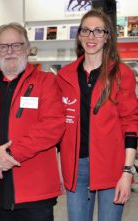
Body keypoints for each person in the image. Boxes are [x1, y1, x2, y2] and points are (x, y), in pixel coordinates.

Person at [0, 22, 65, 221]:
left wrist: (8, 155)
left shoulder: (46, 82)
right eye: (3, 46)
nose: (9, 51)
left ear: (27, 48)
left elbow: (52, 126)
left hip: (35, 189)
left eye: (16, 45)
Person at [56, 9, 137, 221]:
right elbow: (55, 122)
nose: (91, 37)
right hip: (76, 167)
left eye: (98, 31)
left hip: (112, 166)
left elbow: (130, 124)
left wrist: (127, 172)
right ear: (79, 35)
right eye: (86, 31)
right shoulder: (64, 76)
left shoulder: (121, 74)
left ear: (107, 36)